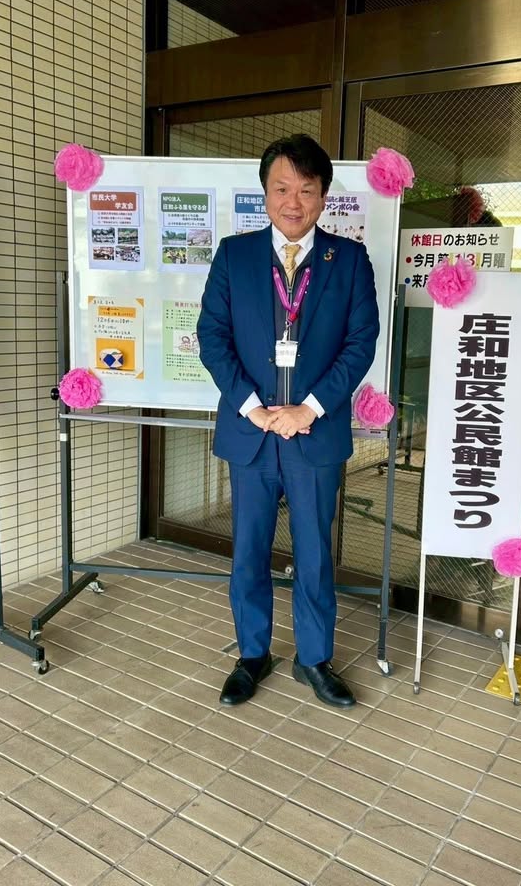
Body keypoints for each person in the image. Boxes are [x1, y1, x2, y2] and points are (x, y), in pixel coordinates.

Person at [197, 134, 379, 708]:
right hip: (251, 434)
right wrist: (252, 407)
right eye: (282, 188)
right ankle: (252, 654)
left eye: (305, 189)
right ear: (265, 194)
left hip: (314, 434)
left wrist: (310, 408)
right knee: (248, 551)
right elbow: (212, 337)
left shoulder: (348, 260)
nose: (293, 202)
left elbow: (361, 342)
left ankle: (313, 659)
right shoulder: (234, 255)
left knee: (315, 554)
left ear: (323, 196)